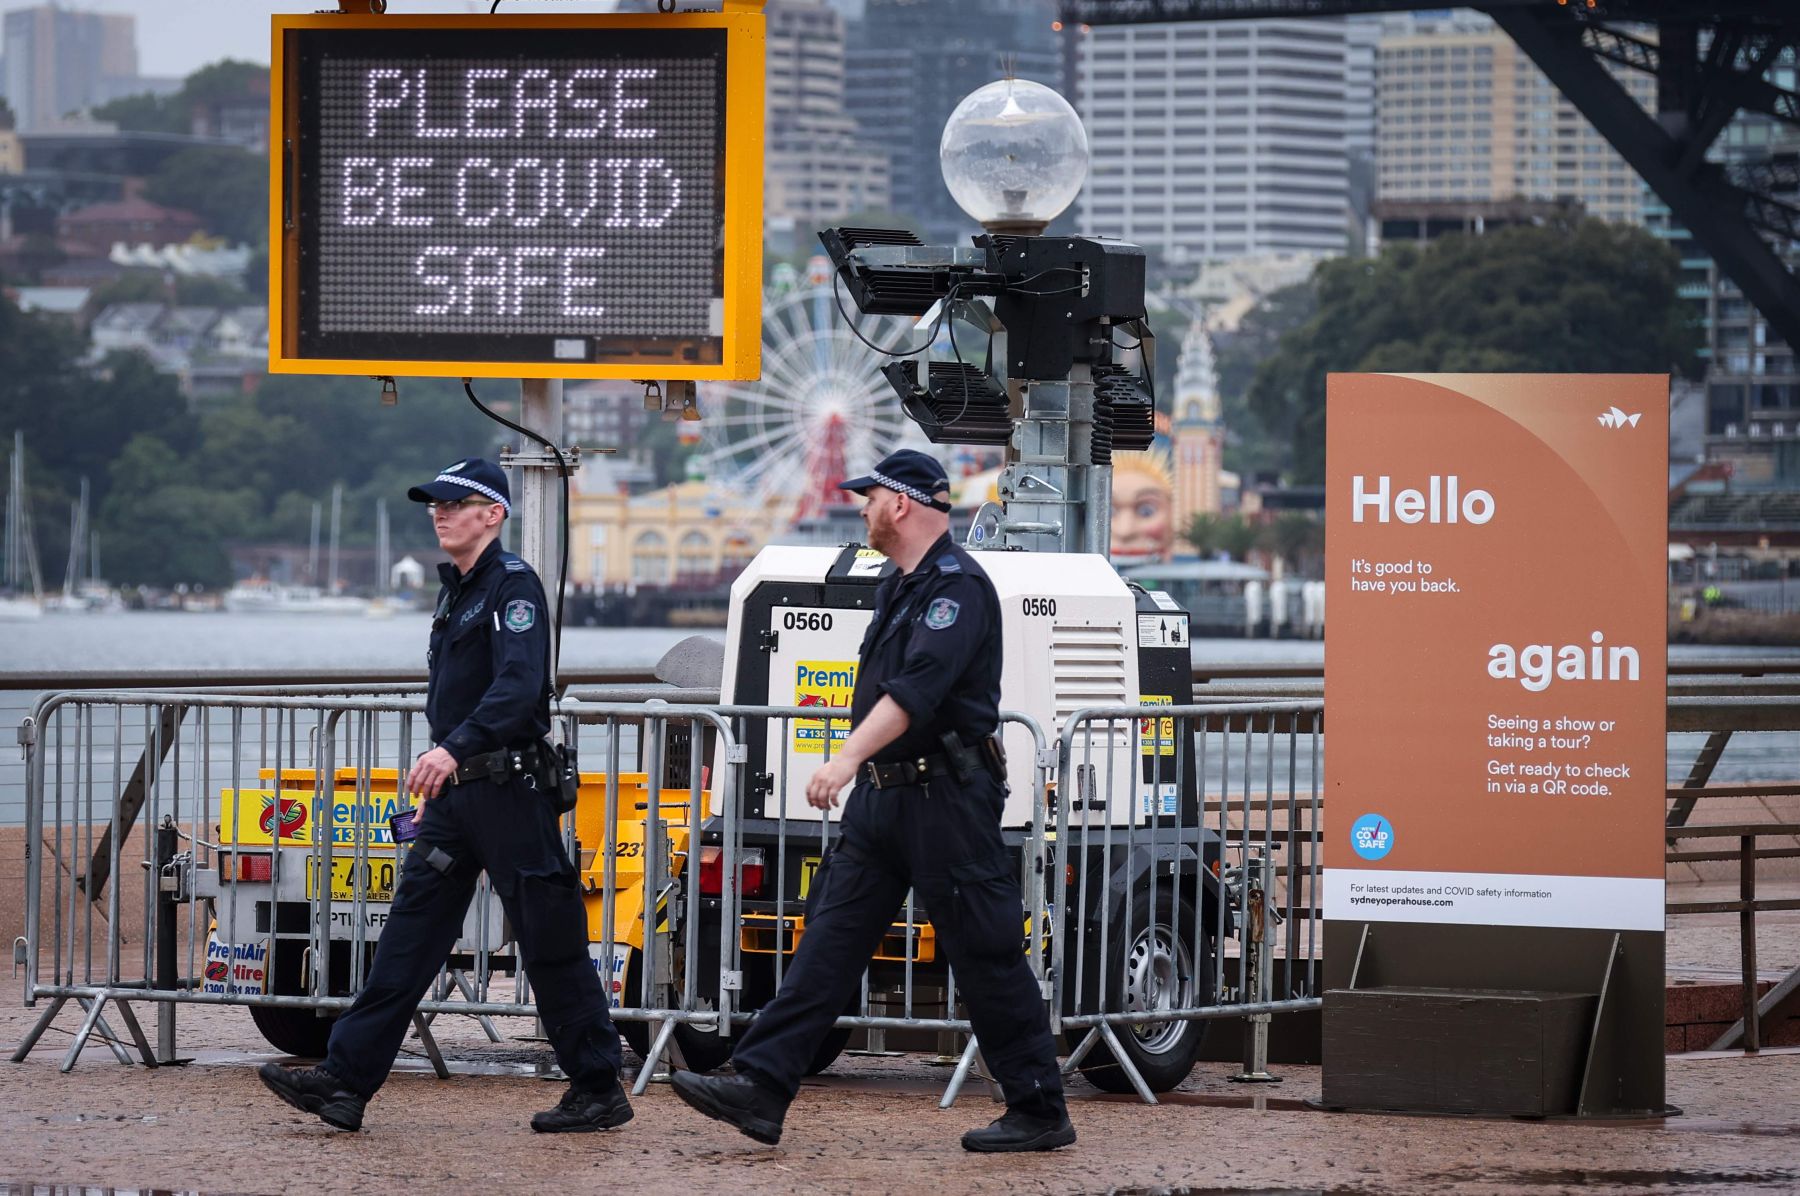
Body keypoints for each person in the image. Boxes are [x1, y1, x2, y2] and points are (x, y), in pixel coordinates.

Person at [670, 448, 1075, 1153]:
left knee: (985, 954)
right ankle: (762, 1087)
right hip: (885, 800)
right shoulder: (898, 587)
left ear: (901, 503)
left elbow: (916, 692)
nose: (861, 509)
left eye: (870, 498)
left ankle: (1040, 1109)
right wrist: (863, 767)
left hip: (947, 798)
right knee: (827, 941)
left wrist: (846, 758)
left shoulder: (958, 590)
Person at [258, 457, 630, 1135]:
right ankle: (345, 1081)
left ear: (494, 514)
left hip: (509, 790)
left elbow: (519, 688)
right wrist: (445, 773)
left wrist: (452, 751)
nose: (440, 513)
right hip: (459, 797)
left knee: (549, 942)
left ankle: (598, 1086)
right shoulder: (457, 590)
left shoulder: (512, 585)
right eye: (435, 504)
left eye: (455, 504)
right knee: (408, 937)